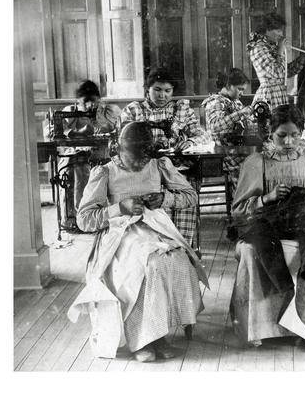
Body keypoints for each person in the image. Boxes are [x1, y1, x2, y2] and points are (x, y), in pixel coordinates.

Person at [67, 122, 208, 362]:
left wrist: (165, 198)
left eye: (145, 156)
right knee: (146, 265)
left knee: (175, 258)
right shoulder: (106, 172)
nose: (139, 163)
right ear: (118, 148)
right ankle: (141, 339)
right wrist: (119, 207)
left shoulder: (158, 165)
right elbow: (84, 219)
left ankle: (157, 333)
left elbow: (190, 196)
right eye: (134, 157)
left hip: (155, 227)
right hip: (119, 233)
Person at [230, 104, 305, 349]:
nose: (289, 141)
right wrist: (268, 197)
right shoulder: (256, 162)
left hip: (303, 221)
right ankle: (264, 325)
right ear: (270, 133)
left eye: (294, 135)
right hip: (267, 224)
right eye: (282, 135)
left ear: (302, 132)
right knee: (253, 250)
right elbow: (238, 210)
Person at [120, 67, 211, 248]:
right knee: (156, 212)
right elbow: (123, 142)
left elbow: (205, 135)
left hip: (176, 169)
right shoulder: (134, 111)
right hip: (145, 171)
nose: (163, 95)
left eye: (168, 91)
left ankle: (183, 249)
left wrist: (191, 141)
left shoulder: (180, 110)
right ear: (148, 89)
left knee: (187, 191)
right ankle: (160, 250)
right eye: (157, 90)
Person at [58, 80, 121, 227]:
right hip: (78, 157)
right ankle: (75, 219)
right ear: (78, 101)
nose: (90, 106)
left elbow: (119, 129)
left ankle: (104, 219)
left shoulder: (108, 111)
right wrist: (73, 132)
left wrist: (102, 126)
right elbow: (54, 131)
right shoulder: (70, 112)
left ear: (99, 99)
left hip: (104, 155)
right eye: (85, 102)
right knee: (77, 169)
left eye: (94, 101)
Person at [202, 68, 254, 189]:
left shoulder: (236, 102)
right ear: (228, 85)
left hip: (239, 148)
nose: (242, 93)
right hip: (227, 152)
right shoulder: (215, 102)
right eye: (240, 89)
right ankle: (243, 200)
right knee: (253, 167)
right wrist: (240, 113)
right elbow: (215, 126)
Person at [246, 12, 305, 110]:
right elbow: (277, 73)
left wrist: (303, 57)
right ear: (267, 30)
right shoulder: (257, 48)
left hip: (280, 94)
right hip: (269, 96)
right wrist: (280, 50)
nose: (281, 34)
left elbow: (286, 72)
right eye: (278, 31)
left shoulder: (273, 46)